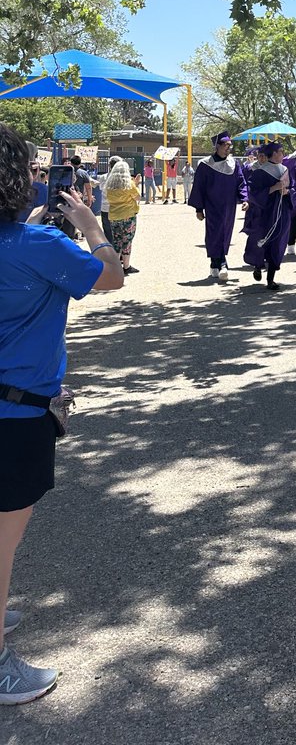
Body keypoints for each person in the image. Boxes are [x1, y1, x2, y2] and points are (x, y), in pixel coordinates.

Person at [0, 122, 123, 703]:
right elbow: (112, 277)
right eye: (28, 171)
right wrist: (94, 227)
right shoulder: (43, 247)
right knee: (4, 537)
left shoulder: (25, 243)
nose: (37, 180)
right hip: (17, 415)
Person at [187, 132, 249, 282]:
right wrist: (199, 209)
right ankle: (222, 264)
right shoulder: (205, 164)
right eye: (226, 145)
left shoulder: (233, 164)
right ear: (217, 146)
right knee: (215, 233)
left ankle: (214, 263)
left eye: (230, 146)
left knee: (225, 233)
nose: (229, 148)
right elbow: (199, 187)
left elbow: (241, 182)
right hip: (212, 205)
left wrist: (245, 198)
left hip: (229, 206)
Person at [242, 141, 293, 290]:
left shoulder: (284, 170)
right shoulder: (260, 172)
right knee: (260, 240)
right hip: (263, 213)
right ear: (274, 154)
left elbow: (294, 188)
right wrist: (273, 188)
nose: (283, 154)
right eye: (281, 152)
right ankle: (257, 265)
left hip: (281, 212)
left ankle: (271, 278)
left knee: (277, 242)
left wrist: (288, 192)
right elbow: (254, 194)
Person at [104, 160, 141, 275]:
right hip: (128, 215)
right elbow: (138, 197)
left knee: (116, 241)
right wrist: (136, 184)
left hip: (114, 216)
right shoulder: (129, 184)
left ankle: (115, 267)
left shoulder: (109, 186)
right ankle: (126, 266)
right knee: (127, 241)